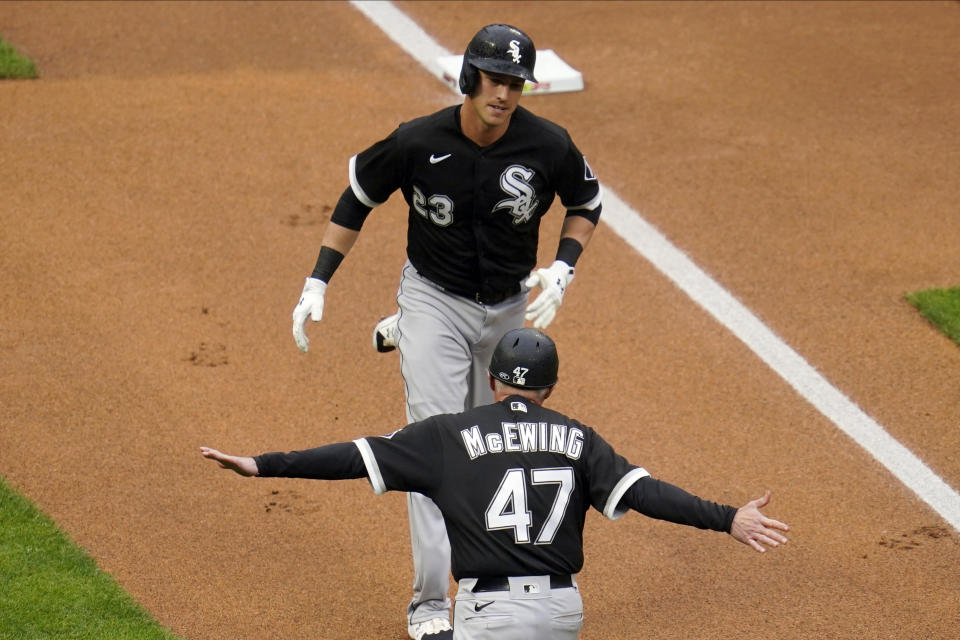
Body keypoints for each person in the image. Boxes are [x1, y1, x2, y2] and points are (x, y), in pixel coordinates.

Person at [290, 23, 603, 640]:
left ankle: (403, 331)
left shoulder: (546, 144)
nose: (505, 94)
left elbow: (587, 202)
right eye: (495, 80)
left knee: (501, 442)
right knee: (442, 444)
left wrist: (563, 268)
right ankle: (431, 602)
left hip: (509, 308)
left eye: (515, 84)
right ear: (469, 78)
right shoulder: (418, 140)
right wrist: (317, 282)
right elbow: (357, 197)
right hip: (435, 295)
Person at [204, 328, 790, 640]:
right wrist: (728, 517)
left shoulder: (448, 434)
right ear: (550, 390)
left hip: (489, 615)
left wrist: (264, 464)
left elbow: (353, 456)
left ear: (490, 380)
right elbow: (648, 494)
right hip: (564, 611)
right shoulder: (579, 438)